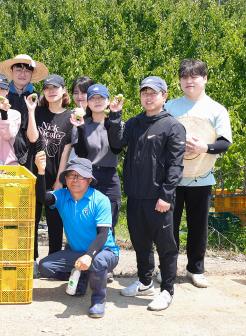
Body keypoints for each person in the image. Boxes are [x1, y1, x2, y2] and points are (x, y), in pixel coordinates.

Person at [106, 76, 186, 311]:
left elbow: (175, 165)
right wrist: (115, 117)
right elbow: (116, 145)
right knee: (140, 243)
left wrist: (167, 195)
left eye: (154, 93)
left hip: (158, 198)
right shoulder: (133, 122)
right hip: (135, 196)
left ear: (164, 96)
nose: (148, 97)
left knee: (166, 246)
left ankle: (167, 290)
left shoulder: (173, 126)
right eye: (144, 93)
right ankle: (144, 281)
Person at [160, 59, 232, 288]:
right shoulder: (169, 106)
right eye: (184, 77)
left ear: (205, 79)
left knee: (198, 227)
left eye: (194, 77)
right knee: (168, 226)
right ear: (180, 81)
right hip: (172, 179)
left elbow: (225, 143)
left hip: (202, 178)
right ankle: (167, 268)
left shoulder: (216, 109)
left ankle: (195, 269)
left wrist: (205, 148)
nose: (188, 81)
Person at [35, 155, 119, 318]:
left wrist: (89, 256)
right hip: (78, 252)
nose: (75, 179)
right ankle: (84, 275)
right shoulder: (62, 195)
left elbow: (102, 235)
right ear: (65, 178)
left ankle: (98, 300)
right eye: (71, 175)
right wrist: (41, 171)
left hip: (104, 251)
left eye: (80, 176)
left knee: (97, 262)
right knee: (45, 266)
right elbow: (43, 197)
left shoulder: (100, 200)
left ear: (89, 180)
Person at [25, 74, 73, 275]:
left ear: (63, 90)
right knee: (32, 221)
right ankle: (33, 260)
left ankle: (54, 261)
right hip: (36, 175)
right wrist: (31, 112)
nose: (51, 91)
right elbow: (33, 138)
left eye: (56, 87)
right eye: (47, 88)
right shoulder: (39, 112)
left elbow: (66, 151)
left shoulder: (70, 117)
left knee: (55, 224)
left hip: (55, 177)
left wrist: (60, 180)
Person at [70, 84, 122, 237]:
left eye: (101, 98)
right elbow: (82, 153)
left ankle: (107, 258)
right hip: (87, 176)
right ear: (87, 102)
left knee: (109, 223)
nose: (97, 101)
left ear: (108, 101)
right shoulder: (80, 123)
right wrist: (80, 129)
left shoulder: (116, 123)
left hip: (110, 177)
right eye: (93, 98)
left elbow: (116, 148)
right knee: (85, 222)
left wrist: (114, 120)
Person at [0, 54, 48, 166]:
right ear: (11, 71)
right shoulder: (1, 98)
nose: (22, 74)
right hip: (3, 157)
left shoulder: (39, 99)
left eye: (27, 71)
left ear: (32, 74)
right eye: (18, 70)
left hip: (32, 157)